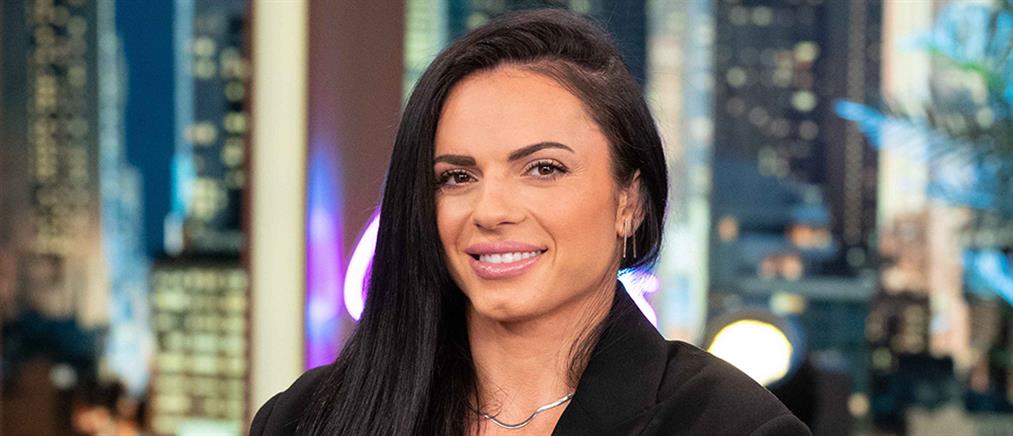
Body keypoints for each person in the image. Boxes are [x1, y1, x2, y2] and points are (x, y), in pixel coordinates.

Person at [251, 8, 811, 436]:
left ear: (630, 202)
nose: (492, 211)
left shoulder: (730, 424)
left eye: (544, 168)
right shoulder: (305, 416)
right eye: (457, 177)